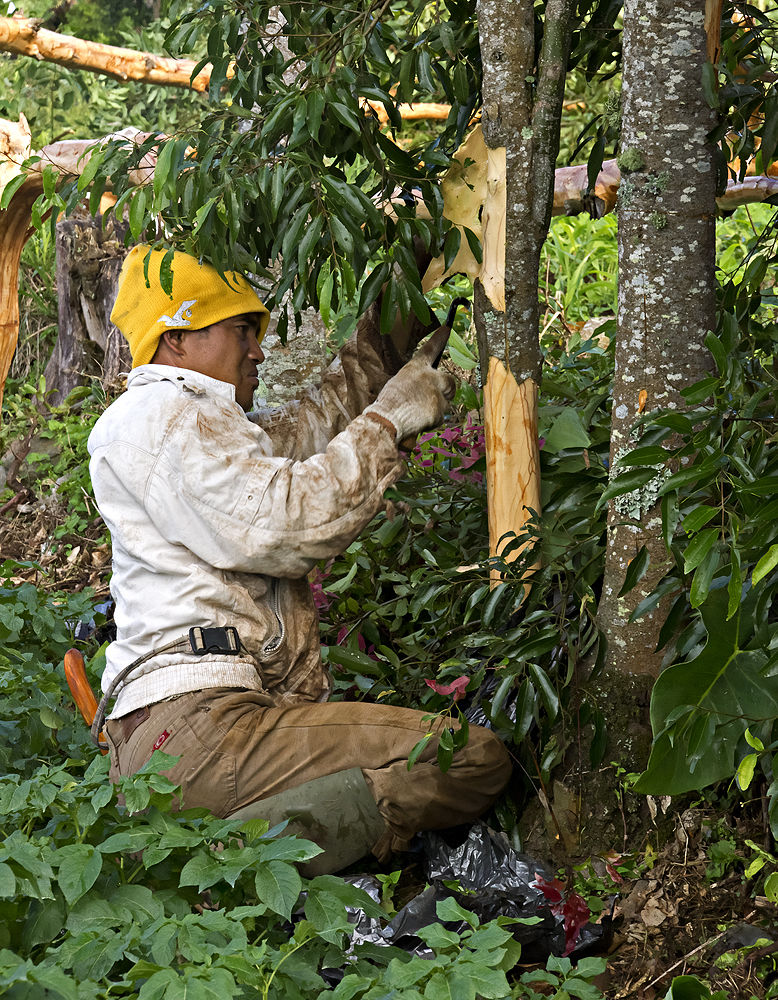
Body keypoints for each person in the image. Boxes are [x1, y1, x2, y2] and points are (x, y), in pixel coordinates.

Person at [89, 244, 511, 873]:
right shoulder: (161, 418)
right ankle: (213, 862)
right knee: (471, 758)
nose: (257, 349)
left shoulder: (203, 422)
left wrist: (406, 290)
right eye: (240, 329)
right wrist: (389, 423)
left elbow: (318, 423)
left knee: (443, 761)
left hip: (202, 726)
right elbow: (289, 520)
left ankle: (231, 853)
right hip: (200, 728)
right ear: (175, 340)